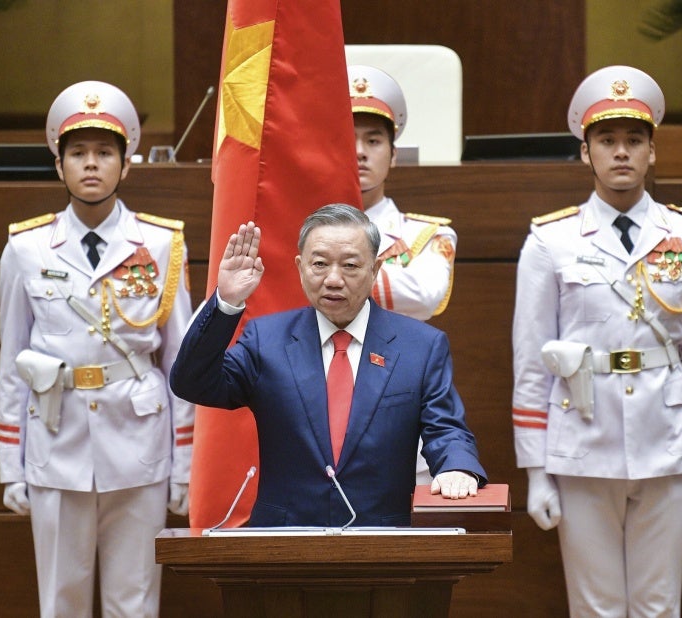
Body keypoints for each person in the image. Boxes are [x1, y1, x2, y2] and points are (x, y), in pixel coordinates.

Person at [511, 65, 682, 617]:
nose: (622, 152)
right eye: (606, 140)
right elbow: (531, 359)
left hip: (668, 434)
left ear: (653, 150)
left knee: (659, 604)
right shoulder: (550, 241)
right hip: (583, 435)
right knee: (595, 605)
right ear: (585, 153)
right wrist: (535, 470)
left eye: (635, 140)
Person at [0, 80, 194, 617]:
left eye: (104, 152)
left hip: (139, 441)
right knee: (61, 598)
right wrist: (10, 464)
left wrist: (186, 463)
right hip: (56, 443)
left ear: (126, 163)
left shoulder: (159, 243)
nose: (91, 164)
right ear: (57, 165)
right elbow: (12, 362)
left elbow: (180, 361)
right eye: (77, 152)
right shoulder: (26, 248)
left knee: (134, 598)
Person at [170, 204, 486, 527]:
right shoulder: (266, 340)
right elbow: (191, 382)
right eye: (319, 264)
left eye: (350, 265)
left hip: (383, 543)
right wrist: (226, 302)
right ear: (300, 267)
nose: (333, 279)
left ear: (375, 269)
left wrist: (456, 468)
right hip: (282, 544)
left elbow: (446, 429)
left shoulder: (420, 346)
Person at [349, 64, 457, 484]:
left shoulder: (426, 234)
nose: (359, 151)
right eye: (348, 139)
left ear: (393, 155)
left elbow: (427, 295)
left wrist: (332, 269)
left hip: (400, 409)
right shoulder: (302, 232)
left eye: (373, 141)